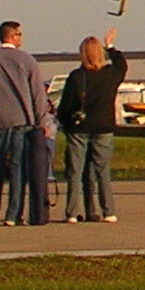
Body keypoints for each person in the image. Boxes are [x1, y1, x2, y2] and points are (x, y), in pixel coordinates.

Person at [57, 28, 126, 223]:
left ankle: (71, 212)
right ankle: (108, 211)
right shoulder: (110, 75)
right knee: (102, 169)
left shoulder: (77, 77)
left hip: (79, 128)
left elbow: (65, 105)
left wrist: (65, 121)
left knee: (75, 171)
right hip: (103, 127)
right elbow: (122, 64)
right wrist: (110, 45)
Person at [0, 21, 48, 225]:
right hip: (22, 119)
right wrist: (42, 121)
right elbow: (37, 94)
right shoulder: (27, 60)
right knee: (17, 167)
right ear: (13, 36)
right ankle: (13, 214)